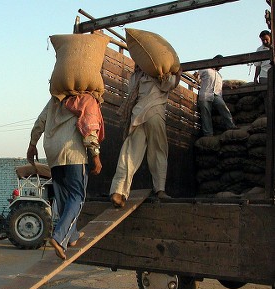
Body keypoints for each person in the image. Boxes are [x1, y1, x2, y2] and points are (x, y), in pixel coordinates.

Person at [27, 93, 103, 260]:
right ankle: (60, 238)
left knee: (62, 197)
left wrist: (32, 145)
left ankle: (72, 236)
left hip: (53, 152)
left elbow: (39, 122)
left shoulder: (55, 99)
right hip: (72, 151)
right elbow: (89, 126)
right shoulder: (85, 98)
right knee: (77, 196)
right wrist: (95, 155)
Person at [110, 65, 182, 207]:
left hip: (137, 115)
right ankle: (160, 190)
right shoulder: (160, 72)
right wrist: (178, 74)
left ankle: (118, 191)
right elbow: (170, 84)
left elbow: (132, 92)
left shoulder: (135, 76)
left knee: (130, 154)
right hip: (155, 114)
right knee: (158, 152)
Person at [196, 55, 238, 137]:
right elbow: (197, 77)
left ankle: (231, 126)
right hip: (205, 94)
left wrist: (229, 86)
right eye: (221, 64)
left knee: (223, 108)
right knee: (206, 114)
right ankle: (208, 134)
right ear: (216, 61)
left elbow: (221, 84)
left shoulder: (219, 75)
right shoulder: (205, 69)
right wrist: (196, 76)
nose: (221, 67)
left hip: (216, 95)